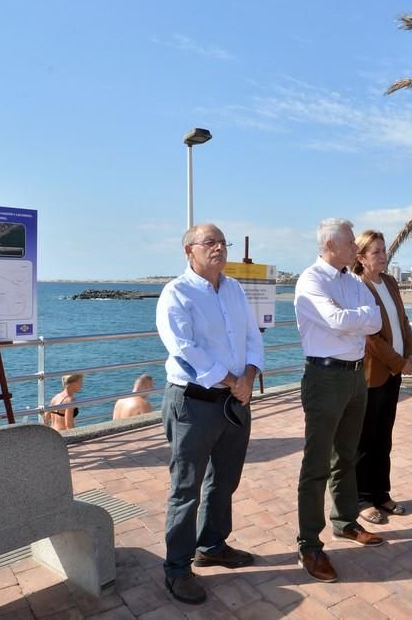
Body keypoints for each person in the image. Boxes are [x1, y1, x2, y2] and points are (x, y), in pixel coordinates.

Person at [155, 223, 264, 605]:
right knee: (186, 488)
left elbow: (252, 335)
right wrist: (231, 379)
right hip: (194, 403)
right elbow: (183, 346)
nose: (218, 248)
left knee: (224, 480)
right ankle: (177, 569)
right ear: (189, 251)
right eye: (209, 242)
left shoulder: (233, 288)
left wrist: (248, 375)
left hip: (235, 400)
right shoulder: (177, 293)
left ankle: (213, 545)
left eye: (222, 242)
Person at [294, 218, 385, 583]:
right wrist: (355, 319)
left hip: (353, 376)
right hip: (324, 377)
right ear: (331, 245)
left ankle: (345, 521)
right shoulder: (311, 280)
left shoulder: (351, 281)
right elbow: (332, 319)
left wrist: (354, 319)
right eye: (350, 243)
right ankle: (309, 544)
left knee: (346, 455)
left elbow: (374, 321)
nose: (355, 249)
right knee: (316, 463)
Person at [352, 230, 412, 525]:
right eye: (376, 252)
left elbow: (402, 321)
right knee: (365, 440)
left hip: (394, 373)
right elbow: (369, 338)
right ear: (361, 258)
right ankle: (361, 498)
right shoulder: (358, 287)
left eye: (384, 251)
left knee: (384, 437)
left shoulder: (390, 282)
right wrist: (398, 362)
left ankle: (381, 493)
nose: (383, 256)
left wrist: (411, 355)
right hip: (372, 374)